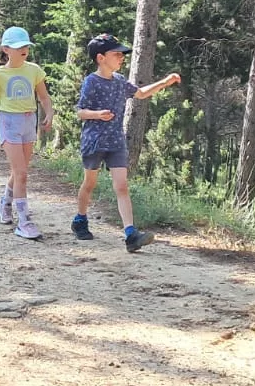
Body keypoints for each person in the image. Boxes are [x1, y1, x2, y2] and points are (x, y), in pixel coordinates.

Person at [72, 34, 181, 252]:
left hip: (116, 142)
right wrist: (97, 114)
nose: (121, 57)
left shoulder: (121, 81)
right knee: (89, 184)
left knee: (121, 186)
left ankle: (131, 234)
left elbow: (140, 93)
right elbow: (80, 112)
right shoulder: (91, 82)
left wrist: (164, 82)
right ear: (101, 58)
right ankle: (80, 220)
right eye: (116, 54)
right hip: (94, 142)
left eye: (122, 54)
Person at [0, 26, 53, 240]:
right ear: (5, 50)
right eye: (17, 47)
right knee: (22, 173)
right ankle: (24, 221)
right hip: (8, 122)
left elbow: (43, 96)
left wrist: (49, 113)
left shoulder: (34, 70)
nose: (23, 50)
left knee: (18, 172)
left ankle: (3, 205)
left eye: (25, 46)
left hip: (28, 122)